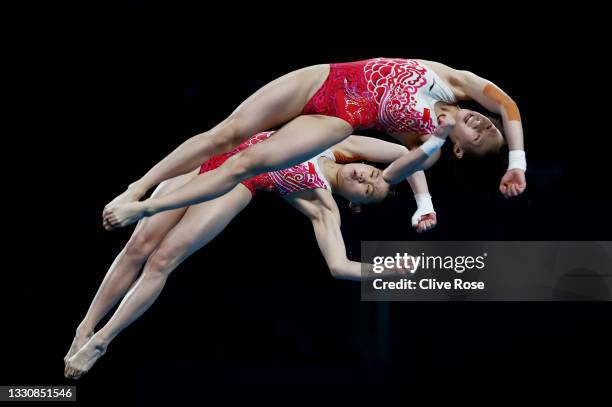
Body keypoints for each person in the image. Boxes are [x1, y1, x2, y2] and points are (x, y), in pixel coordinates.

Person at [65, 133, 432, 379]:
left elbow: (338, 266)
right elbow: (405, 154)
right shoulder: (336, 140)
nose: (366, 178)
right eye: (373, 173)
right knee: (137, 246)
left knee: (163, 259)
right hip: (213, 160)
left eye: (368, 190)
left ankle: (104, 339)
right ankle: (85, 327)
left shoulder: (324, 206)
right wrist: (422, 201)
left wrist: (383, 270)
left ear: (354, 205)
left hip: (238, 184)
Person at [102, 58, 526, 230]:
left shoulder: (427, 144)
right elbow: (507, 103)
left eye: (480, 136)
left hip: (337, 120)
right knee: (225, 133)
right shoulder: (454, 82)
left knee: (246, 162)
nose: (482, 123)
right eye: (487, 124)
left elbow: (392, 174)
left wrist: (425, 201)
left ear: (459, 150)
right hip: (326, 78)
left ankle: (146, 207)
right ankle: (138, 186)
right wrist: (517, 162)